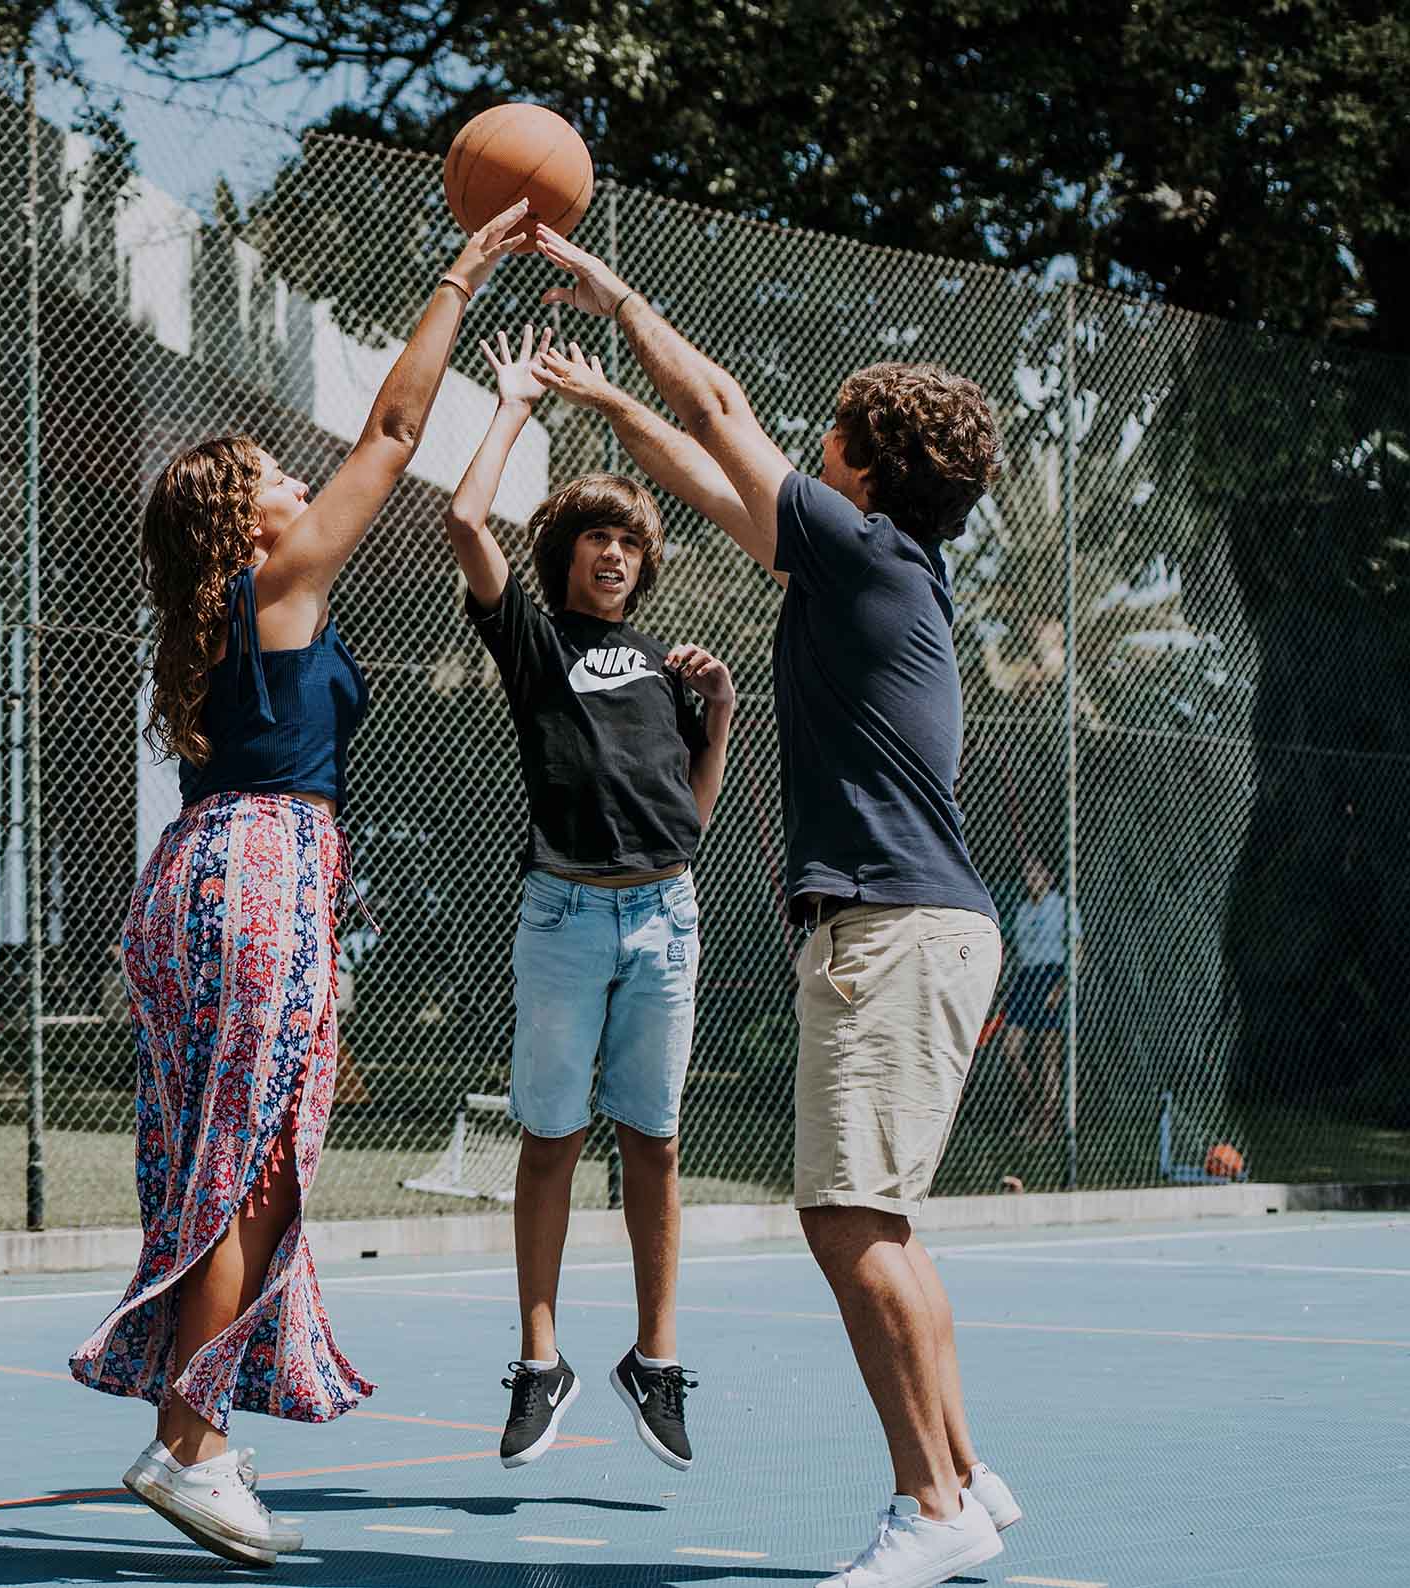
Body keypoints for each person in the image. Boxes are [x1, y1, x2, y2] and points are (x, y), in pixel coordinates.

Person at [528, 225, 1024, 1588]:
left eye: (836, 433)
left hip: (891, 929)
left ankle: (929, 1507)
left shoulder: (862, 555)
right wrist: (614, 404)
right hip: (916, 925)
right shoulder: (869, 567)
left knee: (847, 1221)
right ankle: (967, 1480)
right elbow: (722, 477)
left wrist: (620, 299)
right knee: (884, 1222)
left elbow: (725, 413)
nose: (811, 441)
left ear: (863, 464)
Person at [67, 198, 536, 1569]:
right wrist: (462, 269)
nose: (299, 482)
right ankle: (188, 1441)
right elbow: (392, 437)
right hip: (261, 870)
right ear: (245, 521)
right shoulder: (272, 587)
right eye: (275, 474)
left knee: (238, 1164)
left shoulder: (232, 612)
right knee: (244, 1166)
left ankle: (195, 1430)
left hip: (223, 871)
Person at [441, 326, 735, 1474]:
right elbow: (465, 524)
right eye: (595, 536)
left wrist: (719, 721)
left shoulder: (667, 664)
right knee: (551, 1139)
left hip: (665, 912)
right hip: (563, 917)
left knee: (652, 1141)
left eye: (628, 539)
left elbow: (688, 819)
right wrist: (510, 401)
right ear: (562, 550)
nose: (613, 552)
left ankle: (654, 1359)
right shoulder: (531, 639)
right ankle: (538, 1360)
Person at [1000, 857, 1077, 1142]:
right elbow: (1017, 953)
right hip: (1025, 979)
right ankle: (1035, 1108)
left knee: (1048, 1055)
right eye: (1027, 872)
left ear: (1047, 875)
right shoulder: (1022, 910)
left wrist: (1060, 988)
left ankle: (1046, 1123)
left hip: (1051, 976)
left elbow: (1078, 950)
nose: (1030, 876)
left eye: (1036, 871)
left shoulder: (1061, 906)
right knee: (1010, 1048)